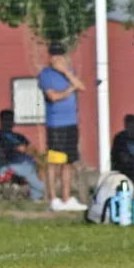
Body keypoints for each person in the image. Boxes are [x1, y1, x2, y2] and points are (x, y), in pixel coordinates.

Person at [37, 41, 86, 211]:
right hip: (56, 125)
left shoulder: (69, 73)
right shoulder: (45, 75)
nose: (57, 58)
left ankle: (66, 198)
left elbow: (82, 86)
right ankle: (53, 198)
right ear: (50, 57)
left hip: (71, 123)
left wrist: (65, 72)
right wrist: (69, 90)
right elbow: (53, 97)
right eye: (54, 55)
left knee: (68, 162)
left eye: (60, 55)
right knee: (55, 162)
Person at [0, 109, 45, 202]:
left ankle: (38, 195)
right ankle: (42, 192)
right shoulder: (3, 136)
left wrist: (36, 156)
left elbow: (30, 148)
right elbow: (22, 148)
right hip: (6, 165)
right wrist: (33, 154)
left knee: (34, 164)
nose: (9, 122)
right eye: (6, 120)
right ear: (1, 121)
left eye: (11, 119)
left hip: (20, 162)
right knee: (28, 167)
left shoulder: (17, 136)